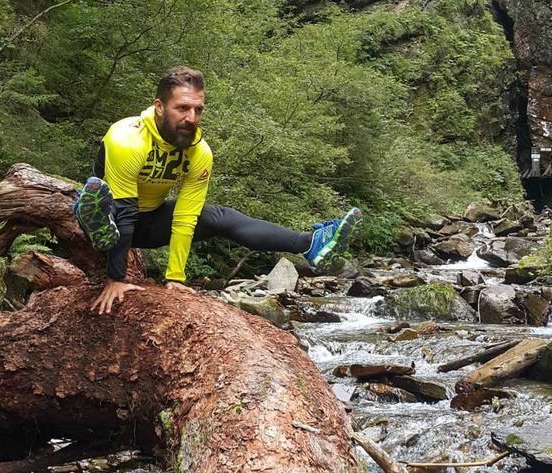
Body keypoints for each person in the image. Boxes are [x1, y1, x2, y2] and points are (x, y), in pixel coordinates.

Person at [74, 66, 362, 314]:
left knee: (219, 217)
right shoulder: (127, 138)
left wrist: (175, 277)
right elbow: (126, 211)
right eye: (182, 108)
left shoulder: (200, 153)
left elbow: (185, 218)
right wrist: (116, 278)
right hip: (116, 213)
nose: (191, 117)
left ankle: (310, 243)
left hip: (147, 223)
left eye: (198, 109)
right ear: (159, 107)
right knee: (106, 208)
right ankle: (93, 220)